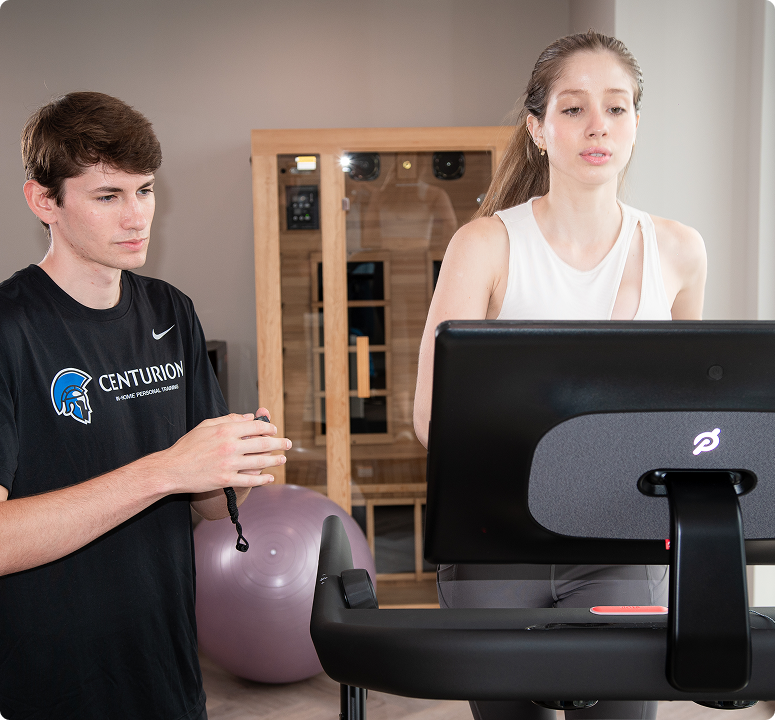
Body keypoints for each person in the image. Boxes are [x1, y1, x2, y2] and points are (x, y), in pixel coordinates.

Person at [413, 31, 706, 720]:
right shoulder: (484, 244)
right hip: (497, 542)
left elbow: (691, 413)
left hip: (621, 540)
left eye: (616, 107)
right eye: (573, 108)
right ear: (538, 128)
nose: (597, 125)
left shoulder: (679, 250)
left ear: (636, 124)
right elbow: (430, 419)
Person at [0, 92, 291, 720]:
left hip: (166, 674)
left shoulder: (170, 309)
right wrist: (165, 470)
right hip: (44, 686)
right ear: (44, 201)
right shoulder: (9, 330)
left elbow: (208, 507)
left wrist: (238, 462)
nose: (137, 217)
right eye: (108, 196)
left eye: (146, 190)